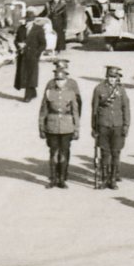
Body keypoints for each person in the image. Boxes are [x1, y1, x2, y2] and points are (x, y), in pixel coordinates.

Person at [35, 60, 82, 188]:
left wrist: (76, 126)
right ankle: (54, 177)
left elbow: (77, 107)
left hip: (67, 125)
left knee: (64, 152)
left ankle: (62, 177)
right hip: (52, 125)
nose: (59, 81)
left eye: (62, 79)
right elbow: (44, 108)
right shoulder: (50, 87)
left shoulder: (72, 86)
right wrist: (41, 127)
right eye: (57, 79)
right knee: (53, 151)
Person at [89, 64, 132, 189]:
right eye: (110, 76)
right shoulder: (99, 89)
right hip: (103, 125)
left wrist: (126, 125)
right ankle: (104, 178)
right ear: (106, 76)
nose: (112, 79)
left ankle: (113, 179)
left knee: (116, 153)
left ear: (117, 77)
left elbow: (126, 109)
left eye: (114, 77)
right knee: (104, 153)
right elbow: (95, 110)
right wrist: (94, 127)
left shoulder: (121, 90)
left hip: (117, 125)